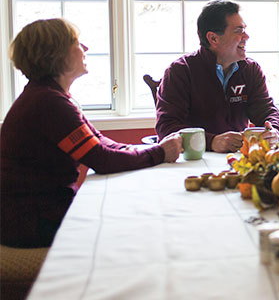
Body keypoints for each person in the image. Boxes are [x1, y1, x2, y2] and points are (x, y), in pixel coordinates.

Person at [0, 19, 182, 248]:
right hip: (31, 224)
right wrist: (159, 153)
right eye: (76, 43)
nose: (85, 48)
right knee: (139, 225)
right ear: (56, 54)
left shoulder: (49, 97)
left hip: (36, 215)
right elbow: (101, 159)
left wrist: (153, 150)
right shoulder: (48, 103)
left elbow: (101, 143)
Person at [155, 0, 279, 153]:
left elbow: (267, 111)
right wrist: (212, 142)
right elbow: (167, 128)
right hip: (192, 162)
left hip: (235, 161)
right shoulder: (180, 71)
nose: (246, 36)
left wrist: (274, 131)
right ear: (213, 38)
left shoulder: (250, 70)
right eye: (238, 30)